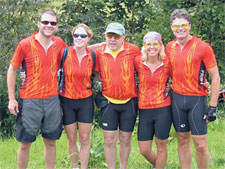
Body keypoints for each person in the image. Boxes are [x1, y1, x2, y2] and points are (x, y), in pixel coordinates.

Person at [7, 10, 66, 169]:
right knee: (25, 143)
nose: (49, 25)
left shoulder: (59, 43)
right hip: (29, 100)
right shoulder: (25, 44)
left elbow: (75, 54)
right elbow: (12, 70)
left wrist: (100, 46)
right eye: (45, 22)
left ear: (57, 26)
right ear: (38, 24)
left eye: (52, 23)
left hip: (52, 99)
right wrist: (12, 99)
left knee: (51, 142)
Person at [166, 9, 220, 169]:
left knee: (200, 144)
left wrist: (213, 106)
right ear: (171, 27)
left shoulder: (203, 47)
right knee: (182, 139)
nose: (180, 29)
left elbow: (215, 77)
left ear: (189, 26)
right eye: (176, 26)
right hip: (177, 99)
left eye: (183, 25)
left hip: (196, 100)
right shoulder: (169, 47)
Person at [95, 22, 141, 169]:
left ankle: (123, 167)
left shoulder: (133, 50)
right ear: (105, 37)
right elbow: (93, 73)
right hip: (108, 101)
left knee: (125, 138)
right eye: (109, 36)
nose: (112, 39)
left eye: (116, 36)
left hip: (129, 101)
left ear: (123, 37)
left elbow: (145, 67)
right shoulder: (99, 51)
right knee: (109, 139)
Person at [59, 23, 95, 169]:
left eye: (83, 36)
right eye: (76, 35)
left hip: (85, 100)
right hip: (67, 99)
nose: (79, 38)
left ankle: (84, 167)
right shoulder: (64, 53)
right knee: (71, 138)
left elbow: (99, 74)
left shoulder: (92, 55)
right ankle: (75, 167)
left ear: (89, 38)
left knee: (85, 138)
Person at [134, 31, 172, 169]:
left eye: (155, 44)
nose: (152, 47)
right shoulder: (138, 61)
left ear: (160, 45)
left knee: (161, 145)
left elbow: (179, 76)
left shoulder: (167, 63)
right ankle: (160, 166)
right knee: (144, 149)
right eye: (148, 44)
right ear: (144, 46)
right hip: (144, 109)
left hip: (163, 108)